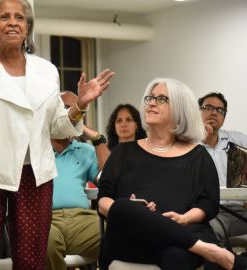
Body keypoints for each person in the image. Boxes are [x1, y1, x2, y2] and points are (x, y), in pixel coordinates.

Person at [0, 0, 114, 268]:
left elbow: (57, 127)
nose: (13, 22)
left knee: (32, 257)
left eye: (20, 18)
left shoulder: (46, 70)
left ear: (27, 26)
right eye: (4, 17)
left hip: (35, 173)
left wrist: (80, 104)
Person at [97, 78, 247, 270]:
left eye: (161, 99)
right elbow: (103, 201)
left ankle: (198, 246)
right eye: (150, 98)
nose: (151, 102)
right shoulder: (123, 152)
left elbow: (208, 203)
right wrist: (139, 213)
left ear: (179, 110)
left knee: (177, 256)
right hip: (134, 236)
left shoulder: (198, 155)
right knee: (123, 207)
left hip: (186, 234)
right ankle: (211, 251)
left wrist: (185, 219)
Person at [46, 91, 100, 270]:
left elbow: (107, 181)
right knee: (45, 242)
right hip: (47, 219)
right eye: (65, 108)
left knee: (120, 235)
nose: (70, 113)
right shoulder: (37, 150)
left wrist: (96, 137)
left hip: (82, 220)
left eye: (76, 109)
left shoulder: (86, 151)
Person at [198, 92, 247, 248]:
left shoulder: (238, 140)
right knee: (209, 234)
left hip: (241, 210)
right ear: (198, 112)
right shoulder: (188, 144)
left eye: (220, 110)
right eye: (209, 107)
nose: (214, 112)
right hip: (211, 213)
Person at [82, 103, 146, 170]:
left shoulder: (146, 150)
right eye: (119, 121)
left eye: (129, 120)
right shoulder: (105, 152)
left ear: (137, 125)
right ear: (114, 127)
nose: (123, 124)